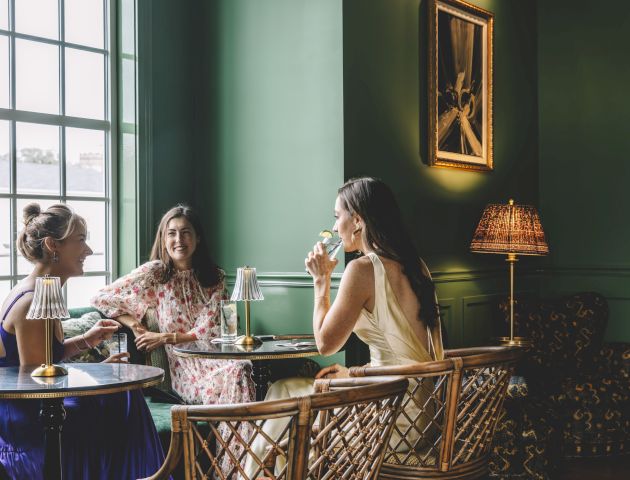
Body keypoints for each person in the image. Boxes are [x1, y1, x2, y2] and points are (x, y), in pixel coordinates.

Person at [245, 177, 444, 477]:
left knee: (283, 395)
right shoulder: (418, 266)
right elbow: (407, 353)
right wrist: (353, 373)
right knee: (285, 390)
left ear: (358, 220)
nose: (335, 228)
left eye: (337, 217)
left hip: (393, 418)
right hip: (425, 412)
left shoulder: (362, 269)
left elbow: (326, 344)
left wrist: (320, 282)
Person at [0, 204, 165, 480]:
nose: (88, 250)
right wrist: (98, 376)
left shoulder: (44, 290)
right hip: (27, 422)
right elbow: (37, 383)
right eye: (80, 240)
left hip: (41, 408)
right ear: (53, 245)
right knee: (122, 400)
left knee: (123, 395)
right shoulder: (31, 300)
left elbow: (45, 361)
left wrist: (85, 341)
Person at [91, 204, 255, 476]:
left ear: (198, 238)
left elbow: (209, 328)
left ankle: (233, 469)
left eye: (186, 233)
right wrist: (135, 326)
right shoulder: (155, 273)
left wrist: (164, 336)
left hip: (214, 358)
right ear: (163, 239)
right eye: (172, 233)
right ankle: (237, 472)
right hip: (183, 368)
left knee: (241, 368)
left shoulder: (214, 277)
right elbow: (102, 297)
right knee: (239, 371)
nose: (179, 240)